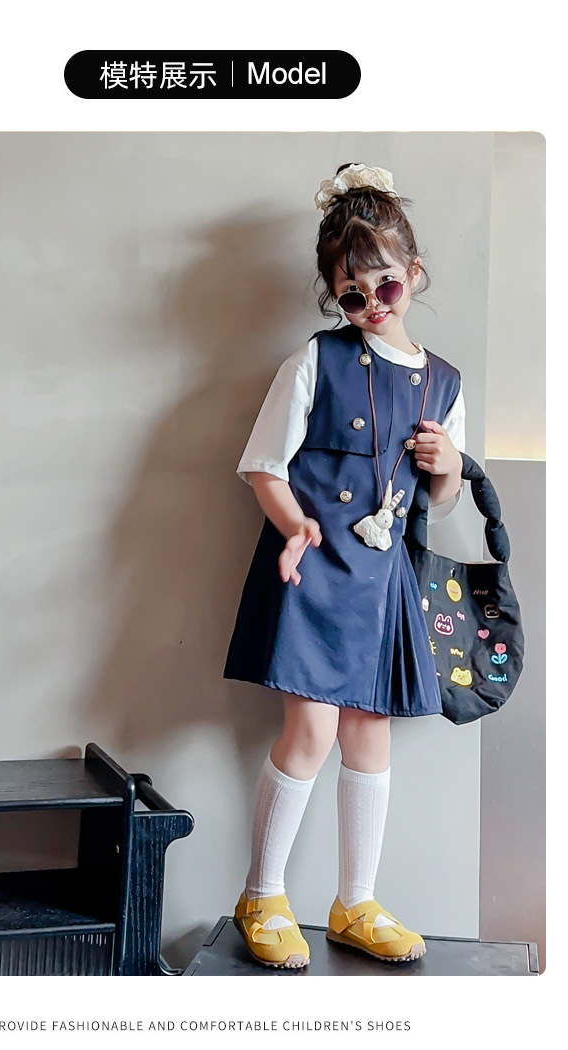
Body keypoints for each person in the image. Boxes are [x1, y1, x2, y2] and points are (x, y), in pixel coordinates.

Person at [223, 163, 466, 968]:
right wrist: (294, 525)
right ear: (336, 296)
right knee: (313, 728)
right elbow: (263, 465)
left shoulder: (444, 383)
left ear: (414, 274)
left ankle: (354, 903)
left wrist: (447, 467)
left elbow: (442, 502)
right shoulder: (313, 361)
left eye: (386, 286)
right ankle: (262, 896)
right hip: (314, 570)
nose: (371, 305)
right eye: (352, 295)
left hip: (382, 578)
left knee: (370, 732)